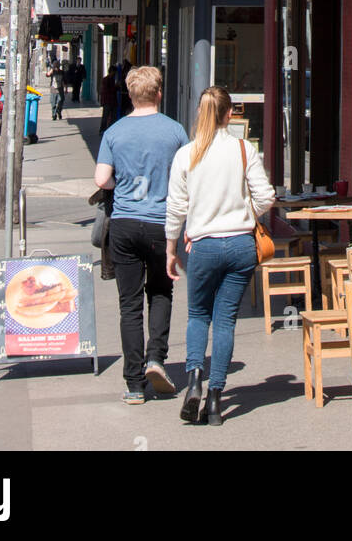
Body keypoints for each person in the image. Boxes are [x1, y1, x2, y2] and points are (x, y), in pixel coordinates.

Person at [166, 85, 275, 427]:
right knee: (226, 320)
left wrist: (170, 248)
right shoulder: (244, 149)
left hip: (203, 245)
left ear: (201, 114)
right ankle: (215, 400)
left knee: (198, 316)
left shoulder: (187, 154)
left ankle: (195, 379)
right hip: (241, 245)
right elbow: (266, 196)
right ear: (231, 114)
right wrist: (246, 215)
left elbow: (175, 208)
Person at [94, 66, 189, 404]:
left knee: (129, 304)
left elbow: (101, 178)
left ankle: (134, 383)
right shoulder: (175, 132)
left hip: (124, 223)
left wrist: (124, 184)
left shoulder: (115, 132)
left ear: (131, 95)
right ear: (159, 93)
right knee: (161, 292)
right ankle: (156, 358)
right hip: (162, 226)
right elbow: (187, 177)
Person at [99, 63, 118, 134]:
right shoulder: (106, 80)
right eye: (114, 72)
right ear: (111, 72)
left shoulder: (113, 80)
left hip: (113, 101)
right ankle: (102, 130)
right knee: (105, 116)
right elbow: (108, 90)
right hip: (107, 101)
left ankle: (110, 129)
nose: (115, 74)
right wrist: (116, 87)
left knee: (113, 117)